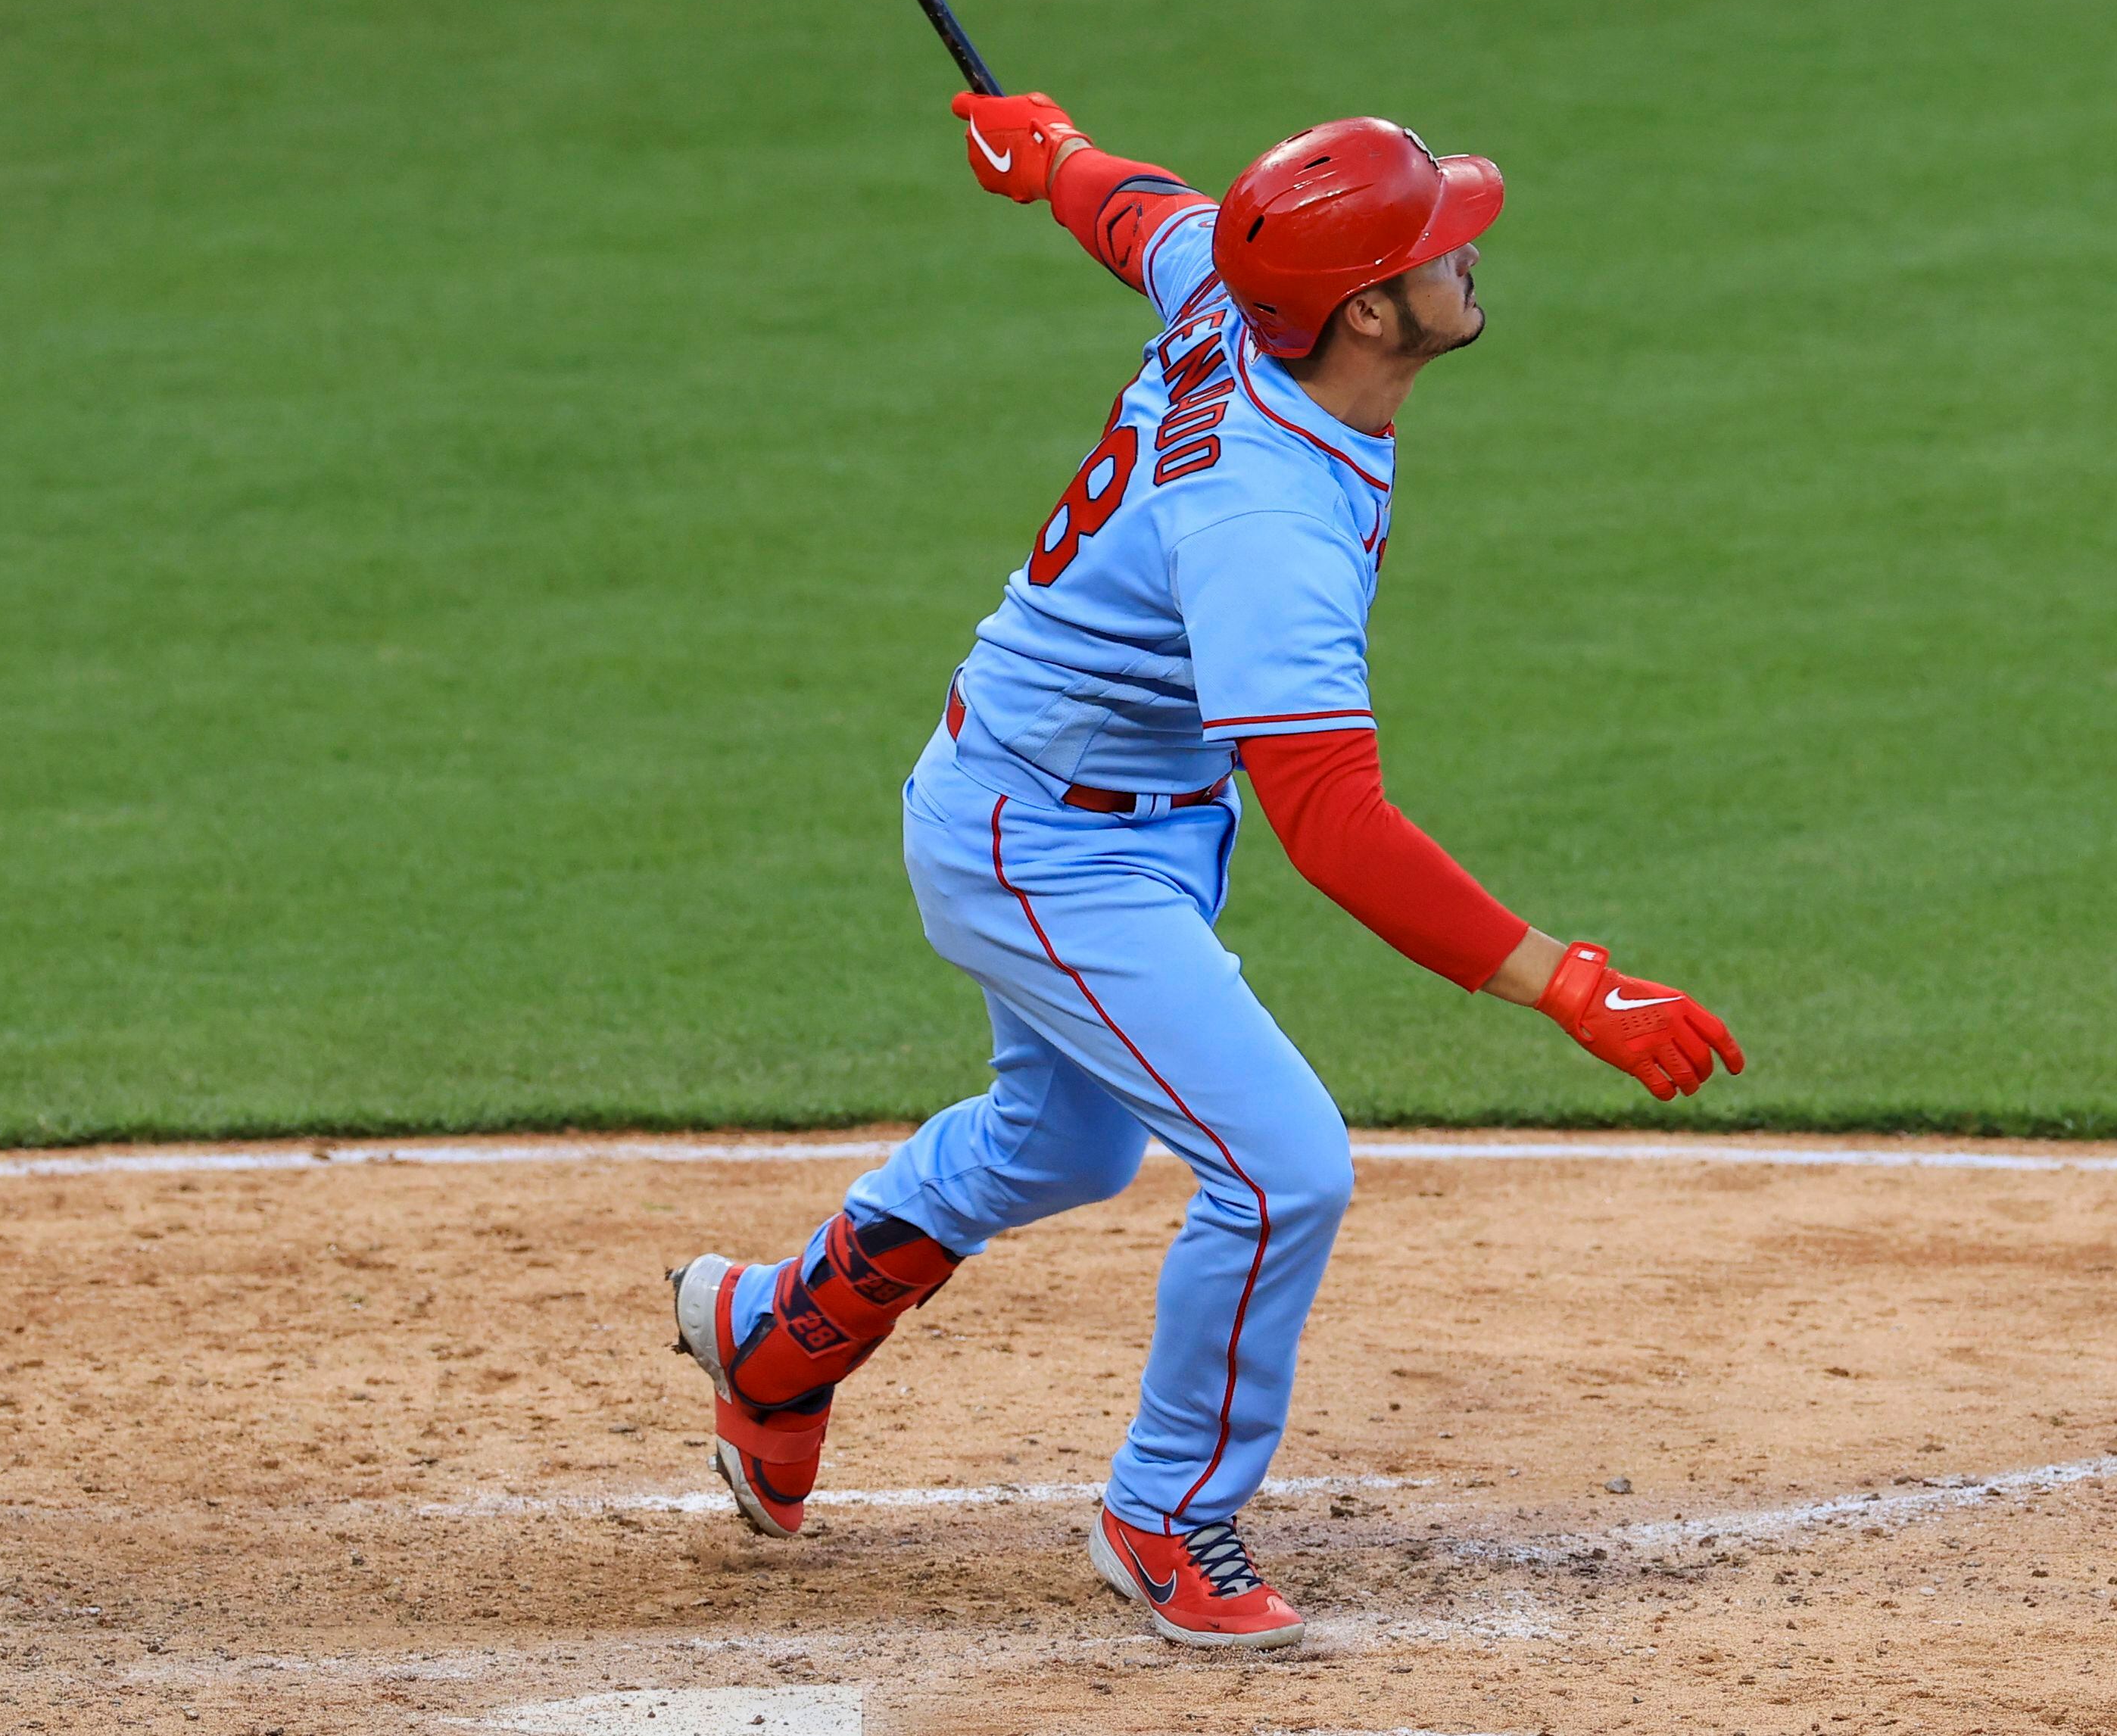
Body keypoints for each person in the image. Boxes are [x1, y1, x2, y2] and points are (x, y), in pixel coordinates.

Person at [667, 92, 1745, 1648]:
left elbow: (1148, 215)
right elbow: (1335, 825)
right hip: (1039, 837)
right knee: (1282, 1165)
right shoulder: (1265, 518)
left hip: (1109, 818)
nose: (1468, 244)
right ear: (1366, 309)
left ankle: (774, 1336)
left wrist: (1046, 153)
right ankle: (1166, 1506)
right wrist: (1564, 981)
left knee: (1065, 1148)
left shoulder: (1242, 301)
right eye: (1437, 237)